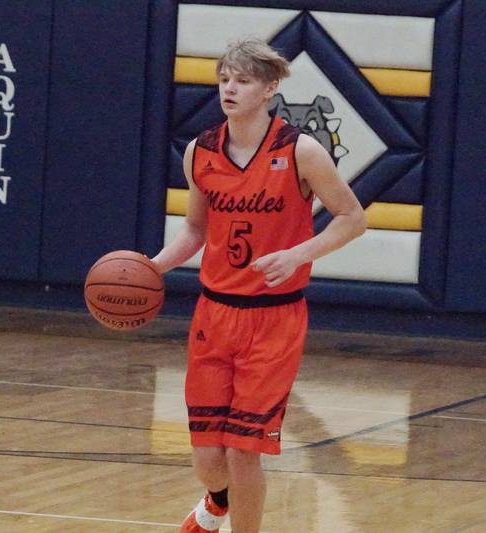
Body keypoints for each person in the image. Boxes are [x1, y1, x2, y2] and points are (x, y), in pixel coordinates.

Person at [151, 38, 367, 533]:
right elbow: (195, 231)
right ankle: (217, 501)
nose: (230, 88)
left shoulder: (301, 151)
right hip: (213, 315)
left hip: (274, 318)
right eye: (225, 78)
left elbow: (352, 218)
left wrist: (298, 254)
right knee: (208, 458)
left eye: (243, 80)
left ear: (270, 88)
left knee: (243, 451)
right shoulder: (199, 153)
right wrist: (155, 266)